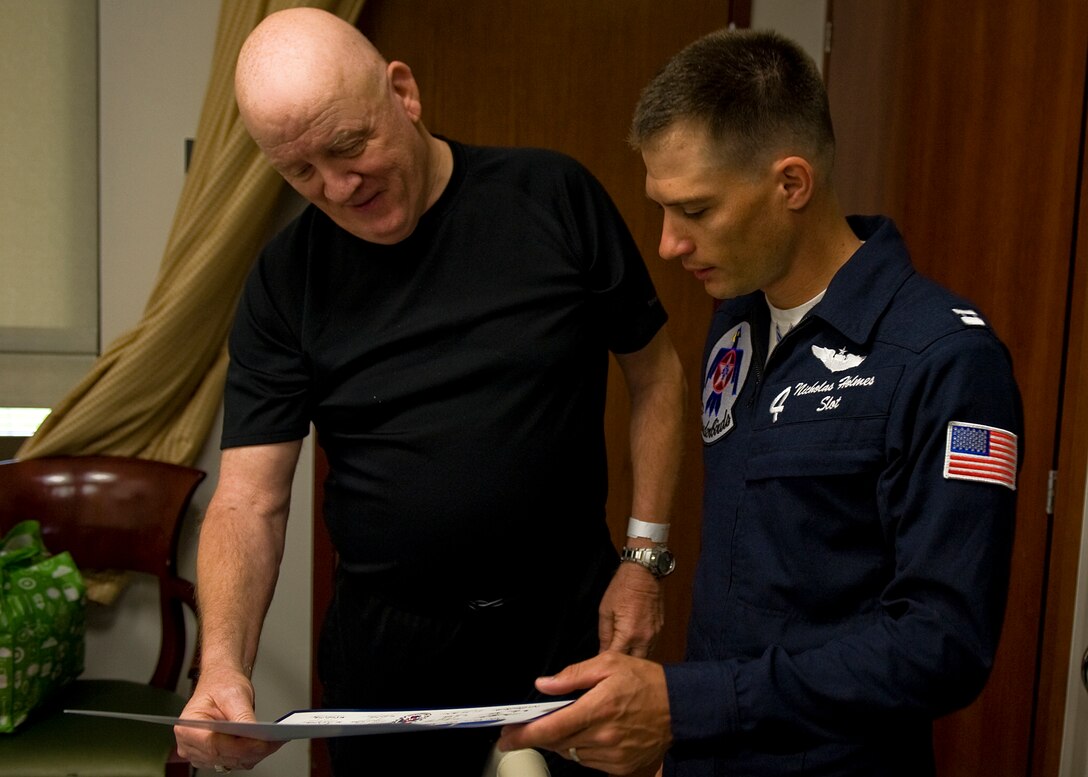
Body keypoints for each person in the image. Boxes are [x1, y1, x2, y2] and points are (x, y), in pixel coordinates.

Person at [173, 7, 686, 776]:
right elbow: (249, 501)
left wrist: (644, 559)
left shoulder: (551, 196)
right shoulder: (285, 280)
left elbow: (657, 374)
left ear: (402, 93)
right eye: (300, 171)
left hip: (568, 621)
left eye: (349, 146)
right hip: (390, 652)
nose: (339, 187)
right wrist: (221, 665)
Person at [498, 28, 1023, 777]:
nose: (670, 244)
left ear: (792, 184)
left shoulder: (944, 359)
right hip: (708, 755)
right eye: (662, 208)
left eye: (697, 210)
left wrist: (692, 702)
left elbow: (942, 645)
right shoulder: (737, 317)